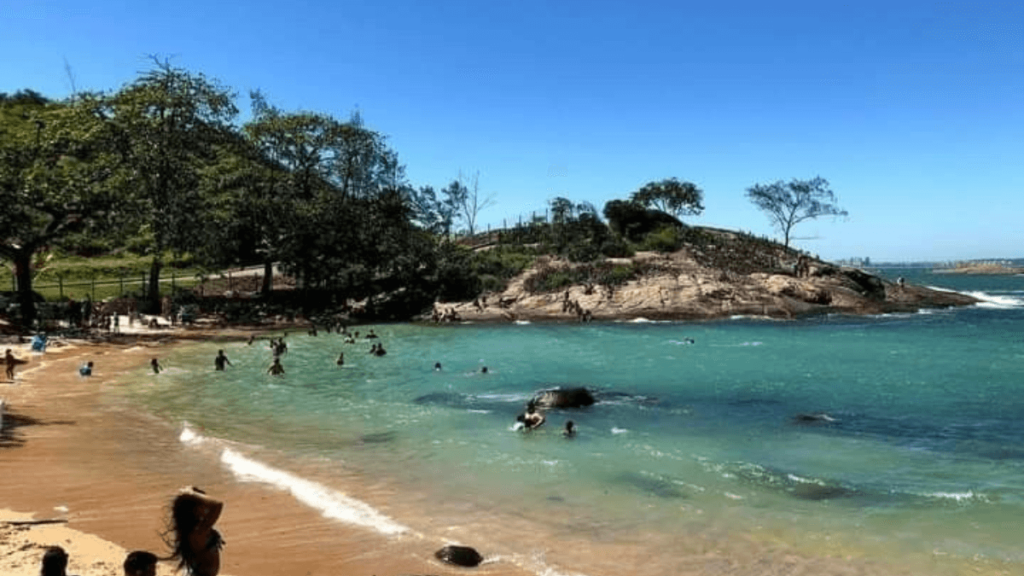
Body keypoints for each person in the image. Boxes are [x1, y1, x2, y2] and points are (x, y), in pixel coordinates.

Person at [166, 486, 224, 576]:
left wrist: (192, 495)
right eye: (202, 504)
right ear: (192, 509)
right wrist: (192, 494)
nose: (206, 507)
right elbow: (218, 504)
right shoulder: (198, 530)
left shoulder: (192, 528)